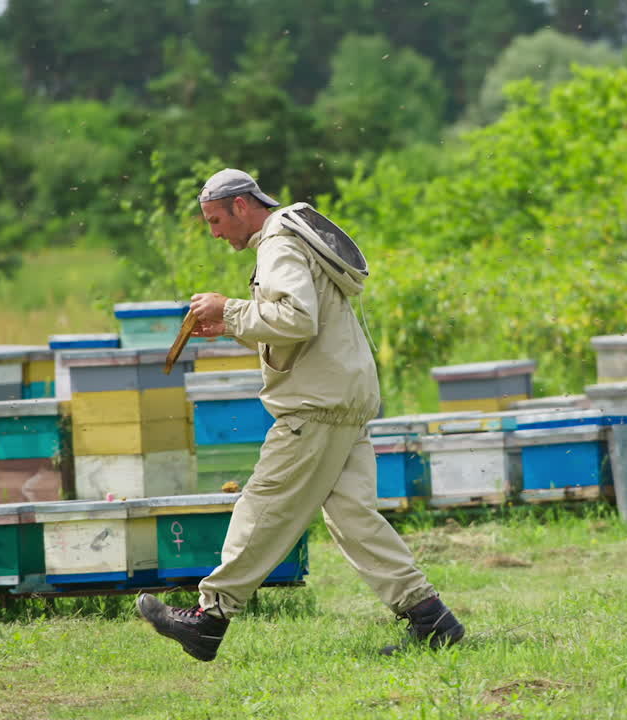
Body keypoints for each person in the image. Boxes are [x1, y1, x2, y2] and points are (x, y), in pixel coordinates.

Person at [136, 168, 464, 661]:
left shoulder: (277, 244)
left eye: (216, 220)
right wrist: (231, 326)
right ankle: (432, 620)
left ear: (243, 206)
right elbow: (302, 321)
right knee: (354, 517)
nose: (215, 233)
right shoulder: (294, 236)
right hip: (344, 396)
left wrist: (229, 311)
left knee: (263, 506)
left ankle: (210, 619)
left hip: (315, 406)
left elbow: (296, 318)